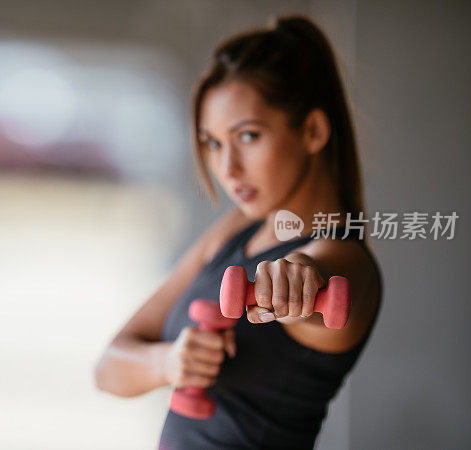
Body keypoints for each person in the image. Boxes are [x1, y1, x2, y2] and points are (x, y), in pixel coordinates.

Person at [94, 15, 382, 450]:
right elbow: (108, 368)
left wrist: (296, 278)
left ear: (313, 131)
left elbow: (323, 278)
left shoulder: (344, 256)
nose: (227, 169)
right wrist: (169, 362)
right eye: (213, 143)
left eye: (247, 136)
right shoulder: (239, 227)